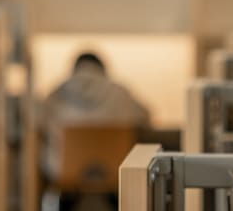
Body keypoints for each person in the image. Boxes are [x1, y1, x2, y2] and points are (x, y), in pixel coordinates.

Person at [41, 52, 151, 184]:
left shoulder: (55, 95)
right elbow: (146, 118)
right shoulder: (121, 93)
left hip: (63, 173)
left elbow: (38, 122)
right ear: (103, 69)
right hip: (116, 171)